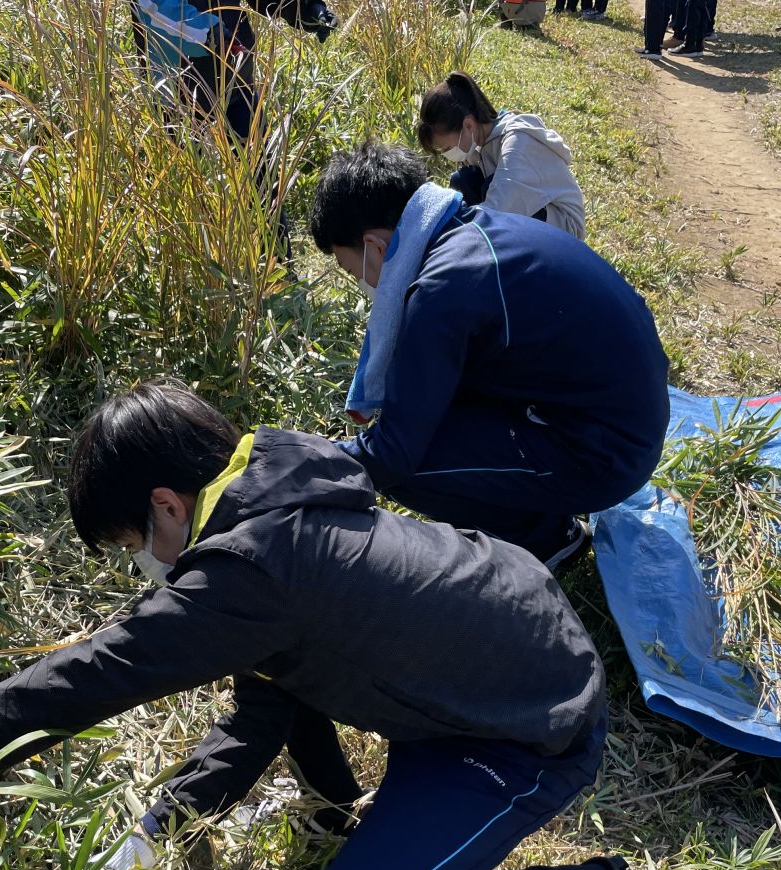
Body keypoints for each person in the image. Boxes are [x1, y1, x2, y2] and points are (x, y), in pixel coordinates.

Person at [0, 381, 644, 870]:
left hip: (531, 727)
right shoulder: (276, 501)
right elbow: (264, 708)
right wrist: (158, 829)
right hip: (486, 665)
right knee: (291, 677)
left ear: (166, 504)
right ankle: (338, 816)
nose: (141, 562)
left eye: (132, 541)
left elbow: (102, 671)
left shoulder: (255, 570)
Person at [309, 143, 670, 570]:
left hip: (607, 455)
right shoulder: (472, 229)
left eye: (353, 270)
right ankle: (538, 499)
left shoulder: (443, 288)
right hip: (624, 418)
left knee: (411, 469)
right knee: (436, 405)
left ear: (376, 247)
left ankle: (546, 538)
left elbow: (393, 454)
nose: (360, 282)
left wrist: (304, 461)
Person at [132, 0, 336, 142]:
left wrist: (306, 8)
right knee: (192, 186)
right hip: (180, 91)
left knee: (261, 177)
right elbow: (154, 8)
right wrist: (212, 35)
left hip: (237, 75)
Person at [417, 72, 587, 239]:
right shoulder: (481, 143)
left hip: (563, 229)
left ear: (468, 125)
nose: (448, 154)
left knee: (479, 211)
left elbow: (496, 211)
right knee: (463, 181)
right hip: (522, 210)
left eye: (448, 147)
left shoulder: (518, 144)